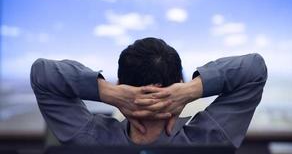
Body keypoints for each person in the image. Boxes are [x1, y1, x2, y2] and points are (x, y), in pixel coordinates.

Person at [30, 37, 267, 148]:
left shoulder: (89, 140)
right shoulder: (211, 138)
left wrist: (107, 92)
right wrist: (192, 90)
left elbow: (42, 74)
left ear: (121, 83)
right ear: (179, 82)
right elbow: (254, 69)